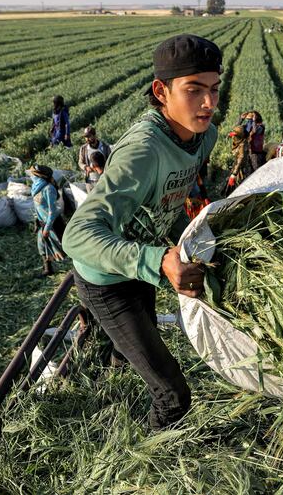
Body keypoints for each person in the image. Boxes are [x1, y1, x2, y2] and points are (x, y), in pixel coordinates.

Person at [62, 34, 222, 430]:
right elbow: (77, 235)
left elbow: (171, 198)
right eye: (194, 90)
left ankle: (117, 387)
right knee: (172, 393)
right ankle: (151, 460)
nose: (208, 103)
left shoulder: (204, 136)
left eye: (215, 89)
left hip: (143, 265)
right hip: (106, 279)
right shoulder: (143, 150)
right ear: (161, 91)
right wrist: (155, 259)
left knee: (136, 346)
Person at [28, 164, 66, 277]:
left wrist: (47, 228)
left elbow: (52, 211)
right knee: (42, 246)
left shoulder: (48, 189)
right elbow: (37, 206)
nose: (31, 176)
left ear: (40, 176)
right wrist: (36, 220)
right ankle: (48, 269)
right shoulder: (36, 187)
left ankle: (80, 266)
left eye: (33, 174)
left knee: (64, 246)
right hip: (42, 223)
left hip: (53, 224)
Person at [78, 126, 112, 192]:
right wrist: (85, 167)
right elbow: (80, 162)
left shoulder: (104, 147)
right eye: (85, 137)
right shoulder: (84, 149)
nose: (87, 139)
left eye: (89, 136)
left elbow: (110, 160)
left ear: (94, 135)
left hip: (104, 178)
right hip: (90, 180)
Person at [225, 124, 252, 196]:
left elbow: (240, 159)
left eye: (235, 136)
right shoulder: (241, 141)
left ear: (239, 136)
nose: (233, 138)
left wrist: (234, 174)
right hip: (237, 168)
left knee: (238, 188)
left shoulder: (242, 145)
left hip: (240, 170)